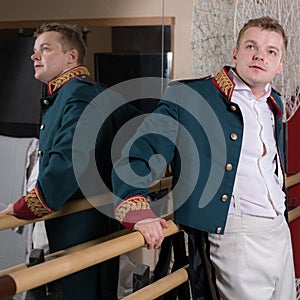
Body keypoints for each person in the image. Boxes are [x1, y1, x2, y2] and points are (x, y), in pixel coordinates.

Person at [112, 16, 296, 299]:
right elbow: (140, 152)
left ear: (280, 64)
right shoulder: (189, 95)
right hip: (235, 232)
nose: (261, 55)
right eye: (251, 46)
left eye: (272, 51)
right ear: (236, 54)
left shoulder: (275, 102)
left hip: (278, 228)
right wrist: (138, 210)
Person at [0, 22, 133, 300]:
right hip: (90, 221)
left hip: (82, 226)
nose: (34, 56)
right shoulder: (90, 93)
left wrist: (24, 208)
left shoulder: (78, 94)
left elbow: (69, 161)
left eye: (45, 49)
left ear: (71, 57)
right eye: (34, 51)